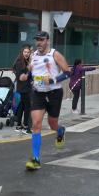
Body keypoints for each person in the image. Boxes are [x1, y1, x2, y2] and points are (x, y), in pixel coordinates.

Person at [25, 31, 71, 171]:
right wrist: (28, 74)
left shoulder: (54, 54)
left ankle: (60, 130)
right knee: (36, 124)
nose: (38, 42)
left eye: (41, 39)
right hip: (38, 93)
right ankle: (36, 159)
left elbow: (68, 72)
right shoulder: (33, 56)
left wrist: (53, 80)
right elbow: (31, 73)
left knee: (52, 124)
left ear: (47, 41)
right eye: (37, 40)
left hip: (54, 93)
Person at [13, 45, 32, 134]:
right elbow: (20, 77)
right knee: (27, 107)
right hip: (23, 89)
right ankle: (25, 127)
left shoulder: (26, 61)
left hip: (25, 88)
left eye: (28, 52)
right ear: (22, 52)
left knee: (21, 107)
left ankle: (19, 126)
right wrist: (29, 71)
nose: (27, 54)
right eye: (25, 52)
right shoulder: (20, 62)